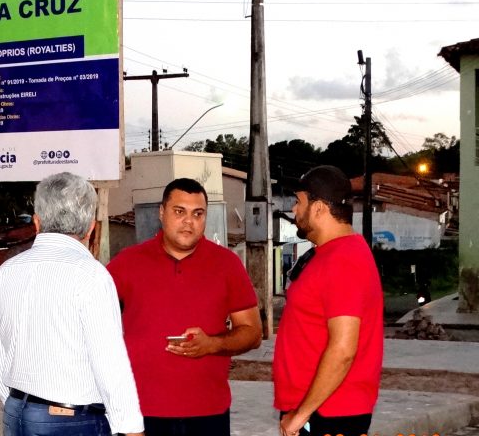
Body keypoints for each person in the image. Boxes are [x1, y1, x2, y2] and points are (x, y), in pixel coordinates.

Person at [0, 172, 144, 436]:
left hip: (17, 412)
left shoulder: (4, 273)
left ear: (37, 222)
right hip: (71, 420)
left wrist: (23, 405)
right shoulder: (91, 275)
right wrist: (131, 428)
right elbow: (109, 362)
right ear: (91, 227)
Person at [107, 177, 262, 436]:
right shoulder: (127, 263)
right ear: (161, 212)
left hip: (208, 413)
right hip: (140, 413)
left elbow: (253, 333)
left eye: (197, 214)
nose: (189, 221)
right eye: (179, 211)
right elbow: (94, 321)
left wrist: (212, 344)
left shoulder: (227, 265)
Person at [273, 165, 384, 436]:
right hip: (319, 409)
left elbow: (343, 349)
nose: (293, 210)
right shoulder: (330, 254)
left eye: (299, 202)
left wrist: (302, 415)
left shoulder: (343, 260)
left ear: (319, 208)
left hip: (329, 414)